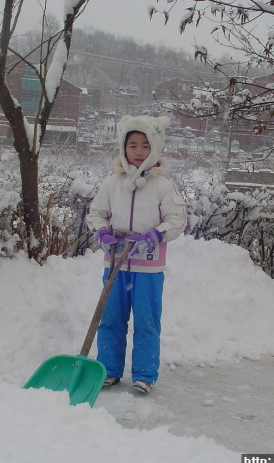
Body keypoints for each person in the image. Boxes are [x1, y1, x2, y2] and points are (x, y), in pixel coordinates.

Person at [86, 115, 186, 394]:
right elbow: (96, 213)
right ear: (123, 148)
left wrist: (154, 235)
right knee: (110, 319)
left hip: (148, 268)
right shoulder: (112, 182)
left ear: (155, 147)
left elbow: (177, 219)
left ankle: (144, 374)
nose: (139, 151)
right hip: (115, 263)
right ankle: (108, 370)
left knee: (146, 321)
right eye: (133, 145)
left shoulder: (163, 185)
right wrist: (102, 232)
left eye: (145, 145)